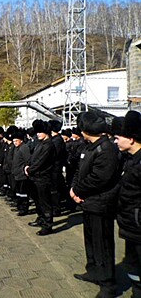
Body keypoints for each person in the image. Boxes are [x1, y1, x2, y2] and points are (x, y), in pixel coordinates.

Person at [70, 111, 121, 298]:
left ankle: (107, 284)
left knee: (103, 245)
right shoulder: (89, 147)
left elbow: (99, 178)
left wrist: (78, 191)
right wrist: (74, 189)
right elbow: (79, 170)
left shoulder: (106, 149)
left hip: (101, 204)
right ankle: (93, 271)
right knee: (90, 241)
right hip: (88, 203)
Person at [113, 111, 141, 298]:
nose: (115, 141)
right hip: (131, 225)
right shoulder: (130, 160)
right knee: (134, 267)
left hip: (138, 226)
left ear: (131, 139)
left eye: (117, 137)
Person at [25, 119, 56, 236]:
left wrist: (30, 169)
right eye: (37, 132)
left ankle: (48, 225)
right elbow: (33, 158)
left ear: (46, 132)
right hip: (35, 177)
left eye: (40, 132)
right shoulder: (40, 144)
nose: (37, 134)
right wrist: (28, 165)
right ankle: (41, 218)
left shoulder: (49, 145)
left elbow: (41, 162)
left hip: (44, 177)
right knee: (38, 201)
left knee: (45, 202)